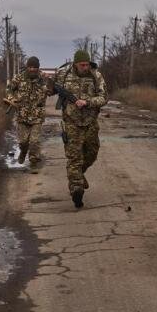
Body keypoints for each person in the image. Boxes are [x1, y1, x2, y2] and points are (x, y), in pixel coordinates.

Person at [52, 50, 107, 208]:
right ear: (75, 63)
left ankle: (78, 176)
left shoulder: (96, 76)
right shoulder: (63, 74)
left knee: (92, 153)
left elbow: (104, 98)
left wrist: (87, 102)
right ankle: (76, 189)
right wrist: (48, 86)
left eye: (87, 64)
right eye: (82, 64)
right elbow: (50, 90)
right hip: (71, 122)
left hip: (90, 121)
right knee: (74, 158)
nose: (85, 67)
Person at [4, 56, 48, 173]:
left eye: (35, 67)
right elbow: (9, 89)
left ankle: (33, 162)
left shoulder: (43, 79)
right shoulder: (19, 78)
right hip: (22, 115)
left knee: (34, 141)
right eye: (30, 67)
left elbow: (52, 90)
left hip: (37, 116)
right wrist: (11, 98)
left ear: (38, 68)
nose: (32, 69)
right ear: (27, 67)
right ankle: (23, 151)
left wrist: (49, 81)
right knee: (23, 142)